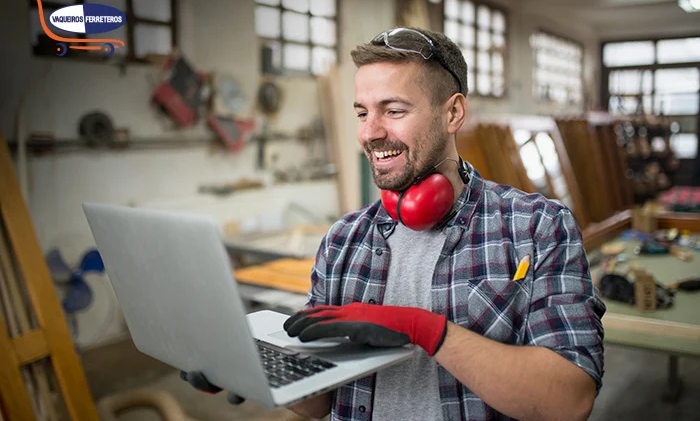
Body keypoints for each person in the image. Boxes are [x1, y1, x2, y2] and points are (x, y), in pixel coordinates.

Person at [182, 27, 606, 421]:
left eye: (394, 110)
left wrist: (423, 328)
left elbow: (569, 399)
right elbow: (323, 400)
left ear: (453, 113)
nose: (370, 132)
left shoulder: (535, 227)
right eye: (362, 112)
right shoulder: (344, 241)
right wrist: (251, 370)